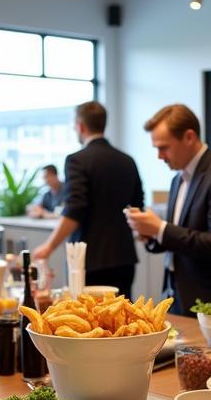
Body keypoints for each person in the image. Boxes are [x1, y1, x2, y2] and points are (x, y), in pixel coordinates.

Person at [126, 103, 211, 316]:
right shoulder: (178, 179)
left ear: (189, 137)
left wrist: (160, 229)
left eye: (164, 147)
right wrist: (151, 234)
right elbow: (182, 237)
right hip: (178, 293)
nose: (159, 156)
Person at [32, 101, 143, 297]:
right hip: (124, 257)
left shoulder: (77, 160)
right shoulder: (127, 160)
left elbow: (75, 209)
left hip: (89, 259)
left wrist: (49, 246)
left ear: (81, 126)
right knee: (123, 319)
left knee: (90, 321)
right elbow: (137, 207)